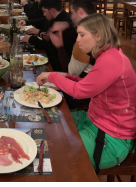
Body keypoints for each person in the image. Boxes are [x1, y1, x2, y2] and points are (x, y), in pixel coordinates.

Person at [37, 13, 136, 172]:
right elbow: (90, 84)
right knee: (51, 126)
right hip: (95, 119)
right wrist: (67, 76)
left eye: (82, 35)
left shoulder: (111, 60)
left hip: (112, 136)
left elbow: (79, 91)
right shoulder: (109, 54)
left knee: (58, 156)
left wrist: (53, 75)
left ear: (98, 36)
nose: (77, 39)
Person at [22, 0, 76, 72]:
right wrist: (42, 34)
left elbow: (51, 48)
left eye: (44, 11)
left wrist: (32, 39)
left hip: (60, 67)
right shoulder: (59, 17)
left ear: (52, 10)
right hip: (56, 60)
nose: (43, 14)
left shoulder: (61, 24)